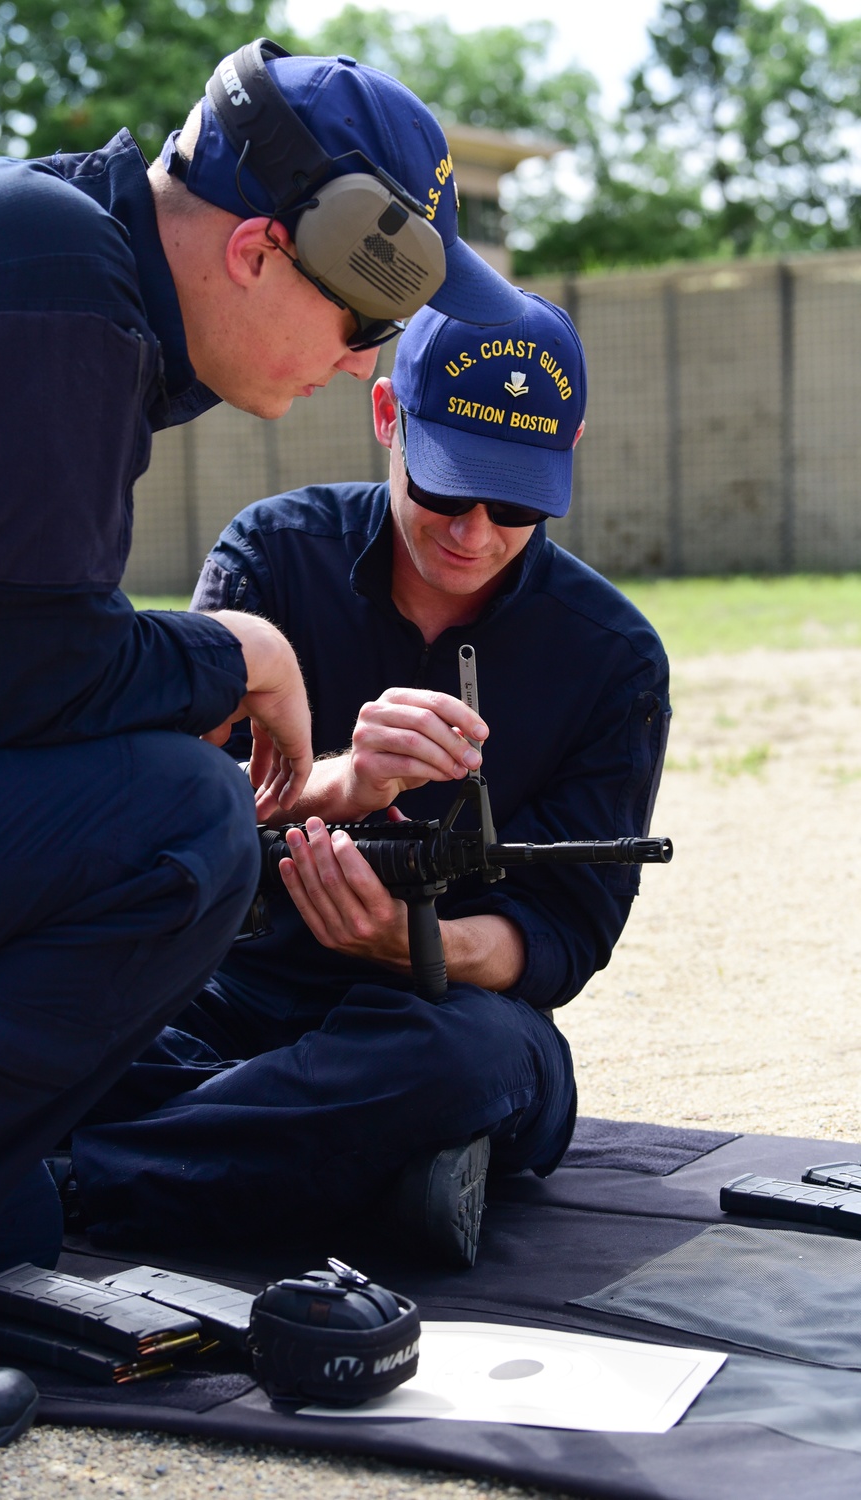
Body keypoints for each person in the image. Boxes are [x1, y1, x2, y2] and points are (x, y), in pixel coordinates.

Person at [0, 38, 527, 1459]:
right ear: (254, 249)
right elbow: (13, 676)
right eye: (358, 324)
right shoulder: (48, 276)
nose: (361, 366)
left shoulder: (29, 241)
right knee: (178, 825)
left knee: (16, 1213)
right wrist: (245, 652)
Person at [68, 292, 672, 1273]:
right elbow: (154, 828)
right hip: (229, 987)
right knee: (42, 1011)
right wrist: (334, 783)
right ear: (387, 416)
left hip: (443, 1023)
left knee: (473, 1068)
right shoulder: (270, 558)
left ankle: (80, 1183)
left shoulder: (612, 660)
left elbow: (563, 935)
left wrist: (405, 942)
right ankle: (347, 1169)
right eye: (445, 488)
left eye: (516, 502)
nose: (473, 534)